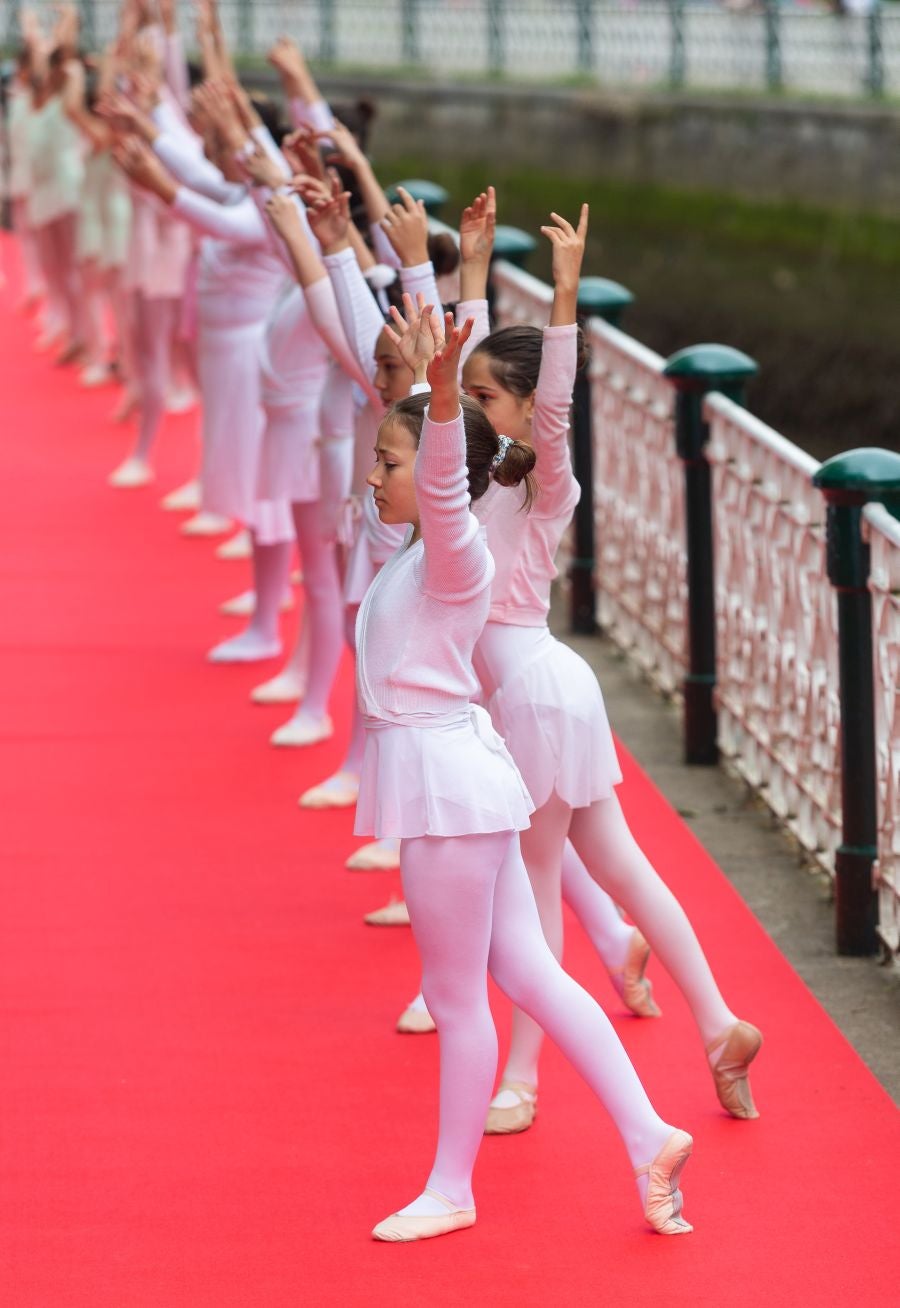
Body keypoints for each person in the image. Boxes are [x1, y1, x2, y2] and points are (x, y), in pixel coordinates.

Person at [357, 302, 693, 1242]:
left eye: (386, 463)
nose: (372, 476)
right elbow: (436, 442)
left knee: (463, 1002)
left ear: (434, 480)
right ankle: (650, 1133)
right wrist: (429, 366)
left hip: (449, 793)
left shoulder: (457, 551)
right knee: (533, 977)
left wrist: (453, 374)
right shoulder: (420, 548)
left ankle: (452, 1189)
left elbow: (456, 455)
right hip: (461, 778)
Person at [457, 205, 762, 1131]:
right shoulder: (473, 472)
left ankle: (523, 1077)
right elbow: (450, 393)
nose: (469, 408)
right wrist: (471, 275)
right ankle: (718, 1023)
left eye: (485, 399)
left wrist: (561, 297)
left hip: (531, 695)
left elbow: (552, 410)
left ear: (518, 409)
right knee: (621, 869)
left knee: (533, 888)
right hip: (546, 685)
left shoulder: (541, 482)